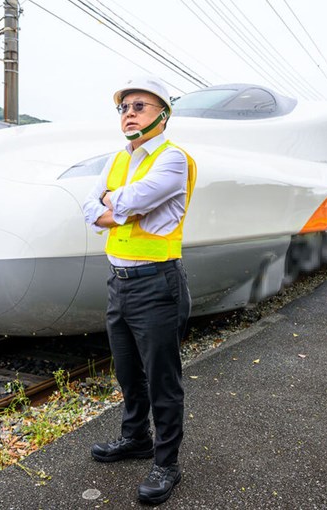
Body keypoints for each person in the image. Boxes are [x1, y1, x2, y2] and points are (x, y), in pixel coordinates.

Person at [82, 76, 196, 505]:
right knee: (128, 372)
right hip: (120, 283)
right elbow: (90, 210)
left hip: (156, 284)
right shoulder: (116, 160)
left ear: (163, 115)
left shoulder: (173, 160)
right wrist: (112, 205)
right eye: (124, 107)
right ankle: (136, 439)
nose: (129, 113)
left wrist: (113, 204)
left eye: (140, 106)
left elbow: (126, 204)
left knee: (162, 379)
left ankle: (167, 462)